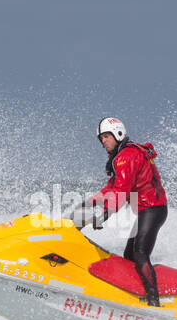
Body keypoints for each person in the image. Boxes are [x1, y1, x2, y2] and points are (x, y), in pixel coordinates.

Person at [72, 117, 168, 306]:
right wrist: (88, 203)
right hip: (145, 210)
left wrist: (105, 213)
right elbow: (111, 188)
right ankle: (135, 293)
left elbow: (122, 192)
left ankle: (154, 301)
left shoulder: (128, 156)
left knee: (140, 253)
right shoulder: (120, 156)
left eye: (107, 136)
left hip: (153, 209)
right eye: (101, 138)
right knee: (129, 256)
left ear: (118, 133)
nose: (103, 141)